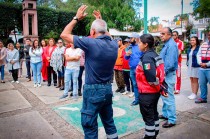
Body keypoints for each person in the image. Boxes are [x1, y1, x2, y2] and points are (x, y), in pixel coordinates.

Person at [60, 6, 118, 139]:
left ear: (92, 32)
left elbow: (64, 34)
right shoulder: (114, 44)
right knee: (109, 122)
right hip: (107, 89)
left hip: (93, 90)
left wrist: (76, 18)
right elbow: (106, 34)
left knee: (89, 125)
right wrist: (101, 21)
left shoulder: (90, 43)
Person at [136, 34, 166, 139]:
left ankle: (149, 136)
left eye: (139, 42)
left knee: (148, 118)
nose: (138, 44)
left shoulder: (147, 57)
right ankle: (155, 133)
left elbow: (151, 78)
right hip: (154, 93)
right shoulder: (154, 54)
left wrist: (157, 87)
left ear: (145, 45)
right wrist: (160, 88)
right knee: (154, 114)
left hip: (147, 93)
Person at [159, 27, 178, 128]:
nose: (161, 35)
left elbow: (169, 64)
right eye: (160, 33)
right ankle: (166, 114)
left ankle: (172, 120)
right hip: (165, 75)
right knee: (165, 96)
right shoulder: (167, 44)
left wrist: (161, 73)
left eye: (163, 33)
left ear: (169, 35)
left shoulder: (171, 45)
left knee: (169, 97)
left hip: (168, 75)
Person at [125, 32, 143, 106]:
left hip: (139, 69)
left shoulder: (141, 47)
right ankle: (136, 100)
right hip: (132, 69)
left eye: (131, 38)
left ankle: (142, 100)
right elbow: (126, 58)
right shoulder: (129, 47)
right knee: (135, 84)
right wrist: (127, 55)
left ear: (136, 39)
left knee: (141, 84)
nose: (129, 40)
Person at [195, 31, 210, 103]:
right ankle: (203, 98)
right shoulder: (204, 44)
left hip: (209, 68)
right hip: (202, 68)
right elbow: (198, 54)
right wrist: (200, 62)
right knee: (202, 83)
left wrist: (207, 64)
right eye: (209, 35)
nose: (209, 36)